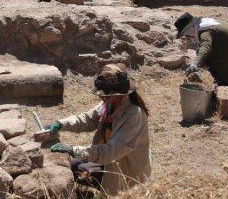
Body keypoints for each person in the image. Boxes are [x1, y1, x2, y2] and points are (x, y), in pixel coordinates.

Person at [46, 63, 151, 196]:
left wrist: (74, 150)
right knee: (70, 165)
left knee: (81, 168)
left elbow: (110, 152)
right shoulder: (110, 103)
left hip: (125, 170)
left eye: (105, 94)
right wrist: (60, 124)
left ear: (119, 93)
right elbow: (87, 120)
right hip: (106, 158)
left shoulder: (133, 115)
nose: (101, 97)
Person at [174, 12, 228, 89]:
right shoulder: (208, 24)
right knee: (202, 53)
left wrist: (195, 63)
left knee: (204, 55)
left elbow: (205, 47)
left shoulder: (205, 31)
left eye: (187, 35)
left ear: (190, 28)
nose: (188, 38)